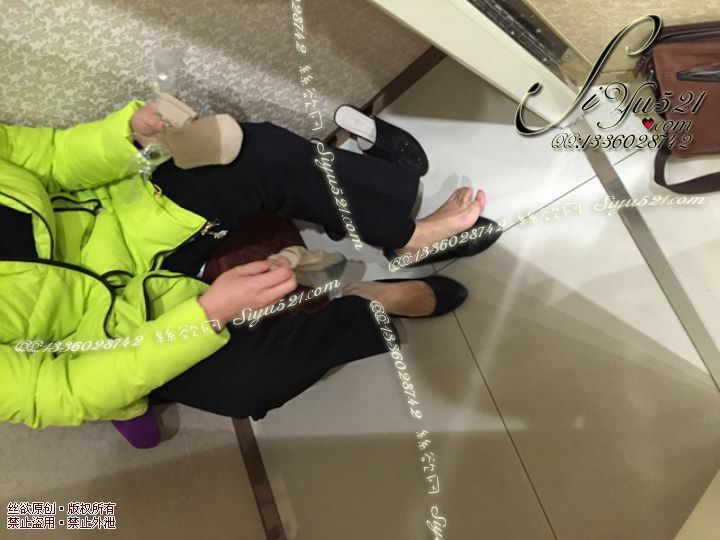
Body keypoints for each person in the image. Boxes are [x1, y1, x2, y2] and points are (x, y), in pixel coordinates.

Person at [0, 99, 500, 428]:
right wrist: (205, 318)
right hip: (126, 335)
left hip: (128, 222)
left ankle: (406, 237)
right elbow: (57, 392)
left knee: (257, 154)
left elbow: (49, 158)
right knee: (247, 387)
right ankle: (362, 304)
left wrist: (127, 135)